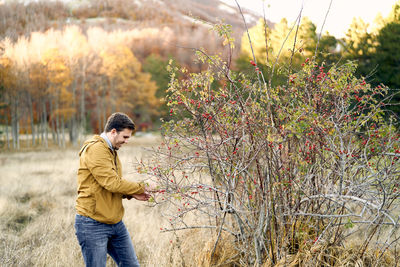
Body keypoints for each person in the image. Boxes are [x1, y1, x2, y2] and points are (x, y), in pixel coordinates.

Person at [74, 112, 151, 267]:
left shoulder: (111, 150)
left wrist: (132, 194)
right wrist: (143, 187)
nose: (127, 141)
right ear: (113, 132)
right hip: (92, 223)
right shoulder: (96, 149)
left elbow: (105, 186)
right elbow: (112, 183)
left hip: (115, 222)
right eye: (125, 137)